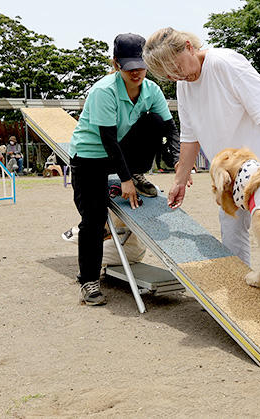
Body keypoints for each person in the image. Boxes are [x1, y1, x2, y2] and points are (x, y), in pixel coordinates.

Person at [143, 27, 260, 266]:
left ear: (189, 46)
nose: (178, 76)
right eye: (169, 76)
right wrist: (180, 179)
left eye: (177, 68)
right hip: (232, 167)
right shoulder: (183, 85)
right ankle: (240, 284)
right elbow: (190, 135)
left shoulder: (224, 63)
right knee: (230, 223)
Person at [68, 32, 182, 306]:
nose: (136, 72)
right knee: (94, 218)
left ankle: (139, 172)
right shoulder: (103, 91)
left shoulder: (152, 89)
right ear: (116, 64)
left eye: (141, 66)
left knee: (153, 120)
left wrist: (179, 160)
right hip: (90, 157)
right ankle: (89, 281)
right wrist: (125, 179)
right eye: (129, 67)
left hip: (120, 149)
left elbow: (169, 127)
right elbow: (107, 140)